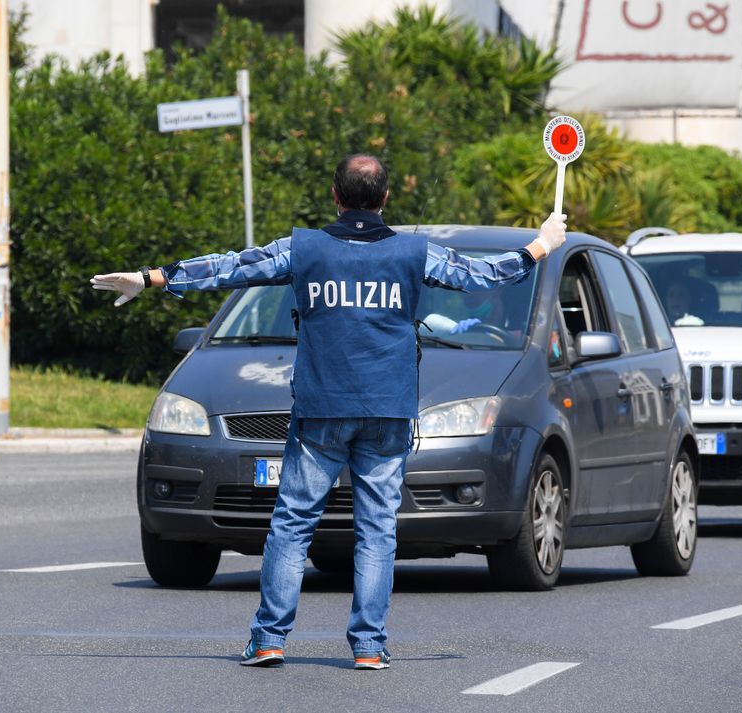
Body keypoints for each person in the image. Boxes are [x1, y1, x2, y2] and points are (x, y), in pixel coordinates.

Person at [91, 154, 566, 670]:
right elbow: (482, 277)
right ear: (385, 199)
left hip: (319, 411)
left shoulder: (304, 249)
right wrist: (541, 243)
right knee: (378, 528)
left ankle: (269, 639)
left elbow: (232, 266)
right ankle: (368, 646)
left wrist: (153, 277)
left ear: (335, 197)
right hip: (389, 410)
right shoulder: (414, 252)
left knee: (293, 524)